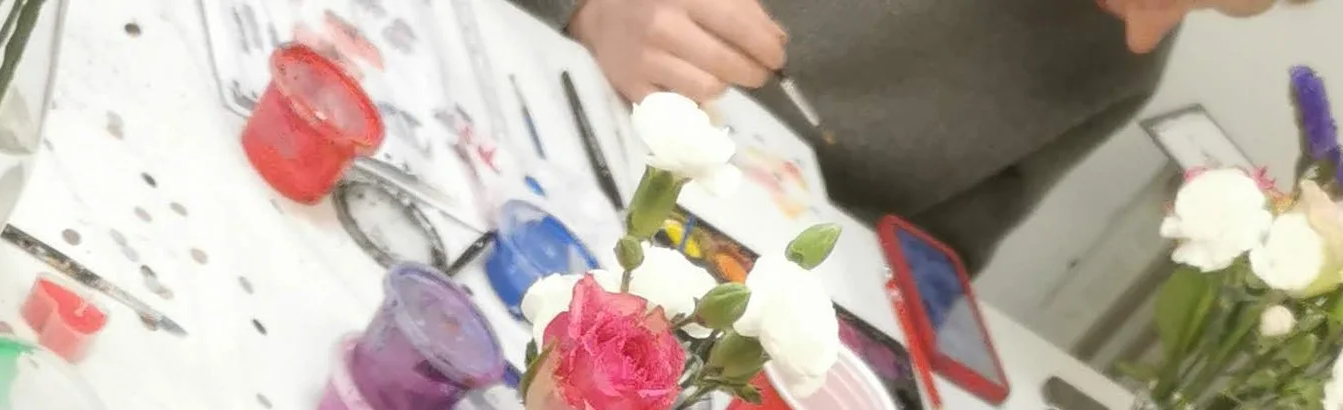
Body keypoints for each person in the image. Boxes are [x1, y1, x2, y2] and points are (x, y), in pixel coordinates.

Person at [523, 0, 1295, 267]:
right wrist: (588, 8)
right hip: (510, 104)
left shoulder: (1128, 60)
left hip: (679, 275)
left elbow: (931, 262)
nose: (1144, 36)